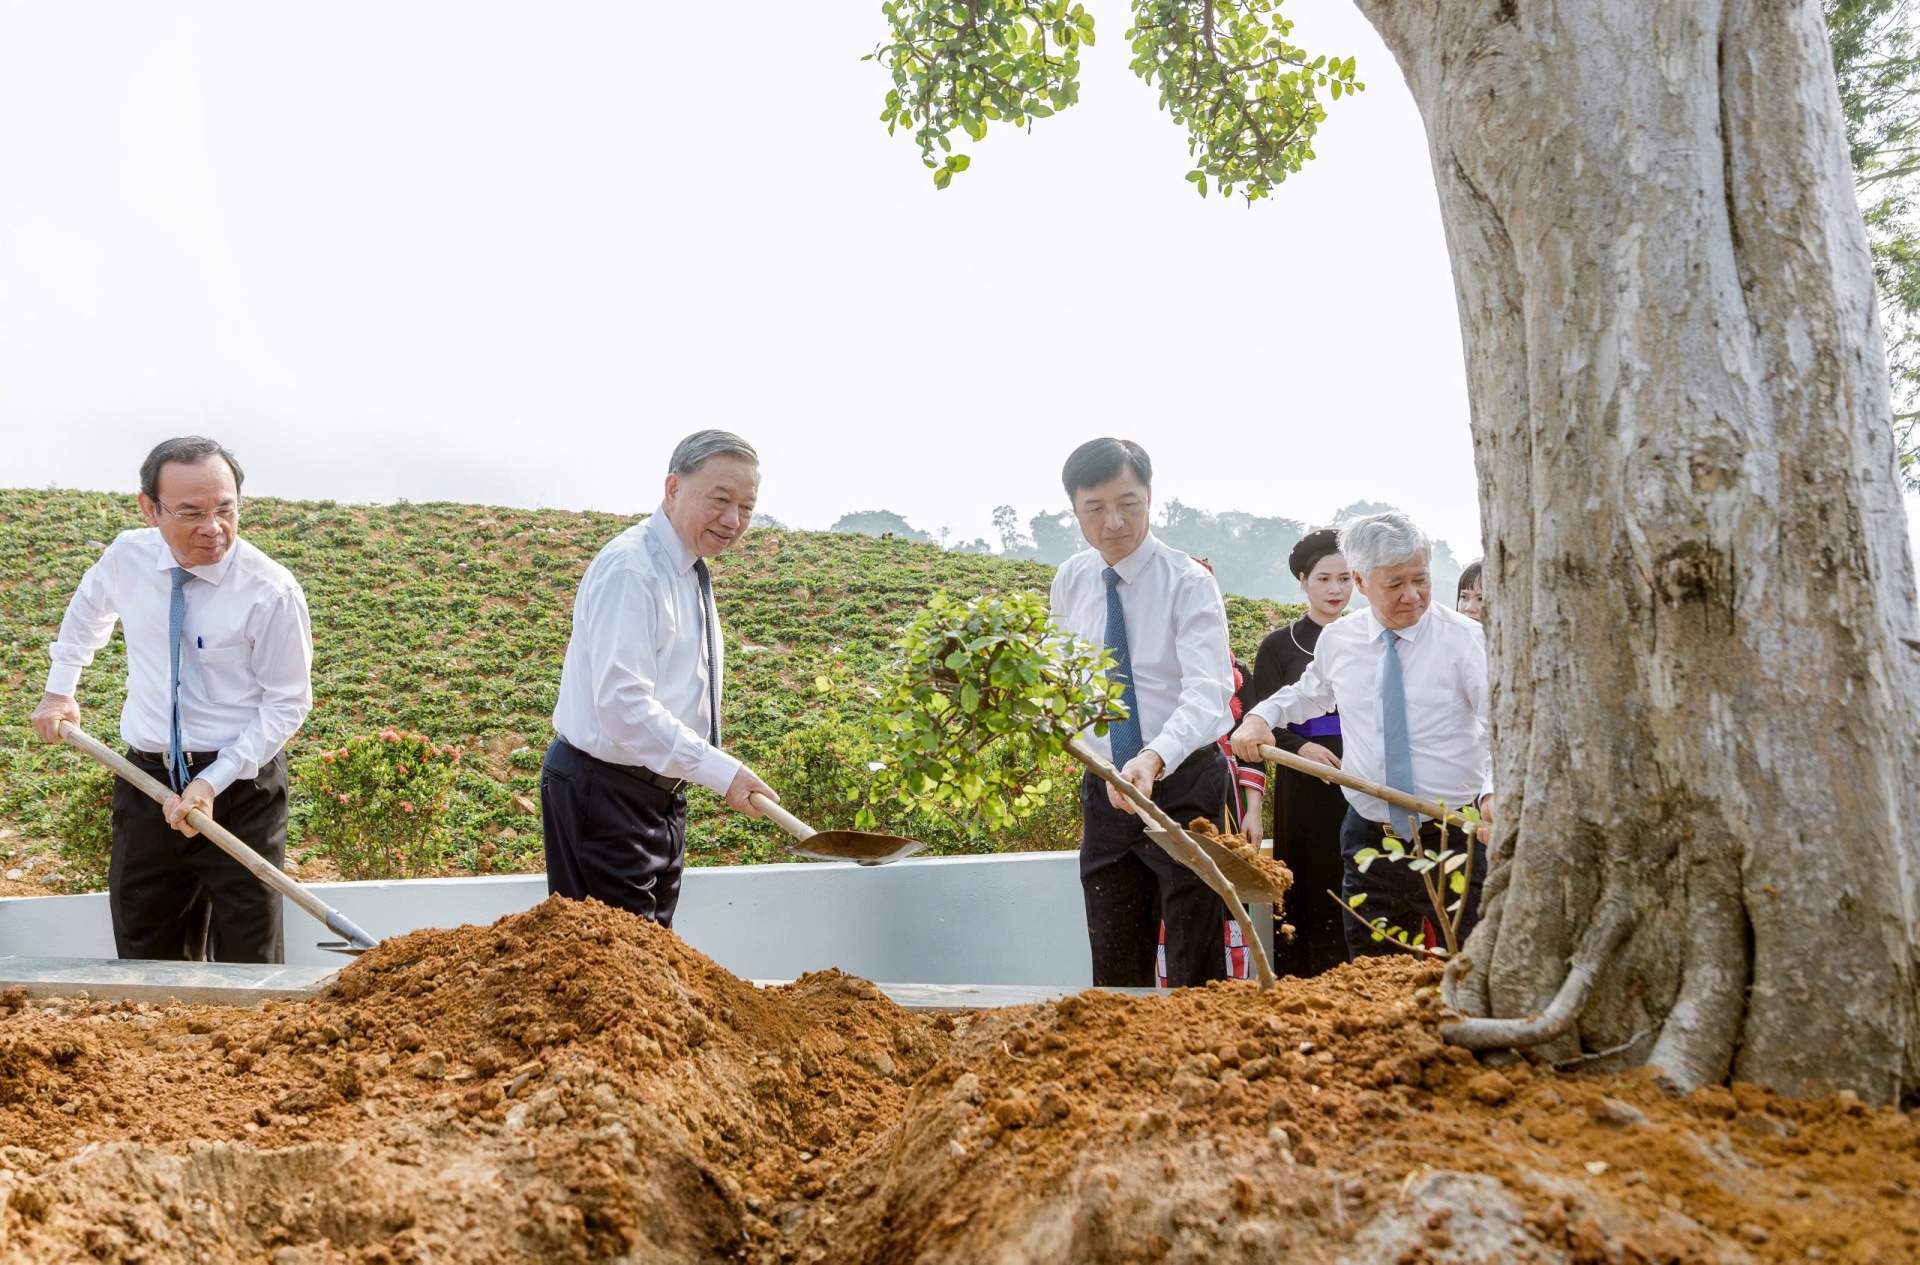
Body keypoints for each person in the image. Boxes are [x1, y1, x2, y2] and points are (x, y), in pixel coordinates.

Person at [30, 437, 313, 963]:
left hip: (238, 789)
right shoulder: (127, 556)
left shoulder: (271, 591)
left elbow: (288, 703)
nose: (213, 527)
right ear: (149, 508)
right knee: (145, 950)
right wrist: (59, 689)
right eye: (190, 512)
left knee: (249, 960)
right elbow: (88, 612)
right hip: (146, 782)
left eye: (226, 508)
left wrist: (210, 782)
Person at [542, 430, 778, 927]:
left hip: (658, 794)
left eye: (747, 507)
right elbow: (623, 706)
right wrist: (721, 772)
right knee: (616, 969)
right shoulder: (633, 570)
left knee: (651, 954)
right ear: (673, 489)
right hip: (603, 792)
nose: (733, 520)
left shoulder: (689, 569)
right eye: (720, 500)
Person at [1231, 512, 1492, 959]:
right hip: (1371, 839)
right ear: (1362, 581)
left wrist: (1492, 794)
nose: (1412, 596)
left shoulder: (1467, 641)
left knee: (1474, 963)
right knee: (1374, 969)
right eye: (1394, 584)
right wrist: (1261, 716)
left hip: (1455, 835)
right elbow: (1307, 694)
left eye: (1421, 579)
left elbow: (1498, 729)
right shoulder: (1341, 641)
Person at [1049, 438, 1237, 988]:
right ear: (1075, 510)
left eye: (1128, 504)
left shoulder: (1188, 582)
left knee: (1194, 959)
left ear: (1150, 498)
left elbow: (1209, 692)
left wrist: (1153, 758)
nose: (1113, 522)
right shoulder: (1072, 581)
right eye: (1095, 508)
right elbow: (1063, 685)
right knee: (1113, 957)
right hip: (1107, 790)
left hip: (1183, 787)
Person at [1250, 528, 1353, 976]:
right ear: (1303, 580)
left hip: (1360, 777)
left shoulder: (1368, 638)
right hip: (1303, 784)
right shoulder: (1278, 645)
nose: (1336, 589)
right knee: (1308, 889)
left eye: (1346, 578)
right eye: (1324, 578)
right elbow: (1261, 718)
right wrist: (1303, 746)